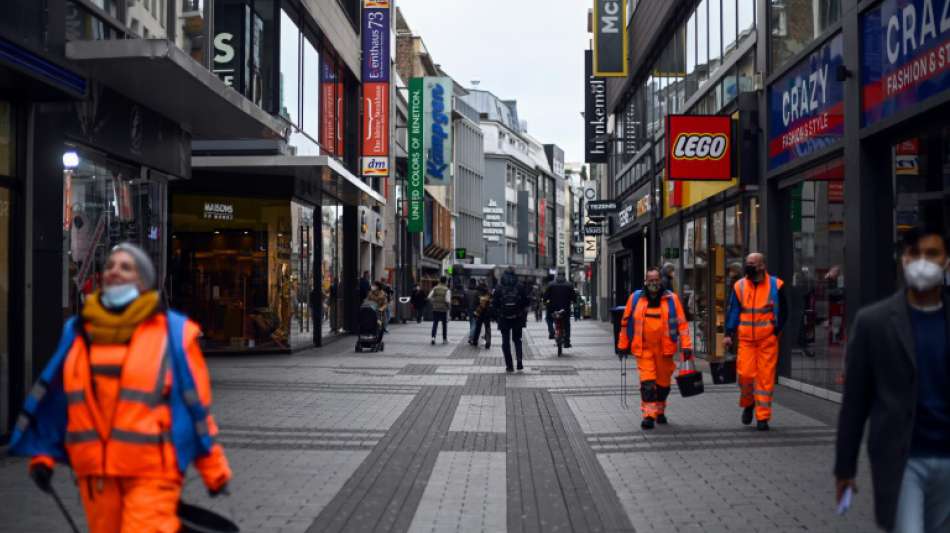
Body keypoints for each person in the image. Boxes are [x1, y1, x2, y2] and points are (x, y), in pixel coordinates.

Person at [10, 243, 231, 533]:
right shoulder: (78, 331)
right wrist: (42, 457)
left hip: (152, 473)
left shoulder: (173, 334)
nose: (115, 271)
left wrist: (214, 469)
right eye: (111, 265)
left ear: (144, 282)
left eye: (126, 267)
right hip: (96, 476)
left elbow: (194, 409)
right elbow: (59, 402)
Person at [835, 225, 950, 532]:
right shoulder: (874, 322)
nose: (923, 261)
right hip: (902, 460)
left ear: (946, 261)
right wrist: (845, 468)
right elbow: (855, 402)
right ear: (903, 259)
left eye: (932, 253)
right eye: (915, 253)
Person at [616, 268, 692, 429]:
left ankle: (660, 410)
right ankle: (648, 416)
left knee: (663, 385)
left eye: (656, 280)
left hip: (665, 350)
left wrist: (686, 346)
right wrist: (622, 345)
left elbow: (682, 324)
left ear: (661, 281)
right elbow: (625, 322)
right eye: (650, 280)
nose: (653, 283)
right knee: (648, 383)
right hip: (644, 349)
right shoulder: (636, 299)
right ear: (645, 281)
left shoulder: (672, 299)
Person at [723, 252, 788, 431]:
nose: (748, 266)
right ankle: (749, 404)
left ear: (761, 266)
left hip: (767, 341)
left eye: (752, 263)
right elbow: (734, 311)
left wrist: (775, 332)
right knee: (745, 376)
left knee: (765, 380)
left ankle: (762, 417)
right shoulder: (739, 286)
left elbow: (784, 312)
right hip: (746, 341)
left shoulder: (776, 285)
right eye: (747, 263)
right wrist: (728, 333)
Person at [492, 268, 529, 372]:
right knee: (517, 340)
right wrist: (523, 312)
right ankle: (519, 362)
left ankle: (509, 365)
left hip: (504, 318)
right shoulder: (520, 286)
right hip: (518, 317)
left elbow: (494, 304)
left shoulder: (499, 287)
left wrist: (497, 315)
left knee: (505, 342)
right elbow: (526, 302)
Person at [543, 273, 576, 348]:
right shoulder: (569, 285)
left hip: (553, 309)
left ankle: (551, 331)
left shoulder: (551, 284)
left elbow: (545, 296)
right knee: (567, 324)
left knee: (548, 318)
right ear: (564, 276)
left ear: (556, 276)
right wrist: (574, 301)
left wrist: (545, 302)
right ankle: (567, 341)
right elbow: (574, 297)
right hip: (565, 309)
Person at [428, 276, 451, 345]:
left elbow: (429, 297)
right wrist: (449, 307)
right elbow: (447, 300)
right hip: (443, 310)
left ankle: (433, 338)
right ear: (445, 281)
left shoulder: (435, 288)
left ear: (439, 281)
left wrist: (433, 303)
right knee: (444, 325)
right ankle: (444, 339)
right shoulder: (447, 289)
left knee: (435, 323)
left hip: (435, 309)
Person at [470, 282, 492, 349]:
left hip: (479, 312)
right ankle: (488, 341)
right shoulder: (489, 293)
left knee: (478, 327)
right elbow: (491, 303)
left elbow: (474, 303)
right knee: (487, 327)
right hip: (487, 313)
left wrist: (474, 311)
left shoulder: (477, 293)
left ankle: (475, 341)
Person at [465, 278, 480, 343]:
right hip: (475, 310)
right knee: (474, 324)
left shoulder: (466, 291)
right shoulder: (476, 292)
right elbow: (478, 302)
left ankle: (472, 337)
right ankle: (471, 337)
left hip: (469, 310)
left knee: (471, 323)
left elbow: (464, 301)